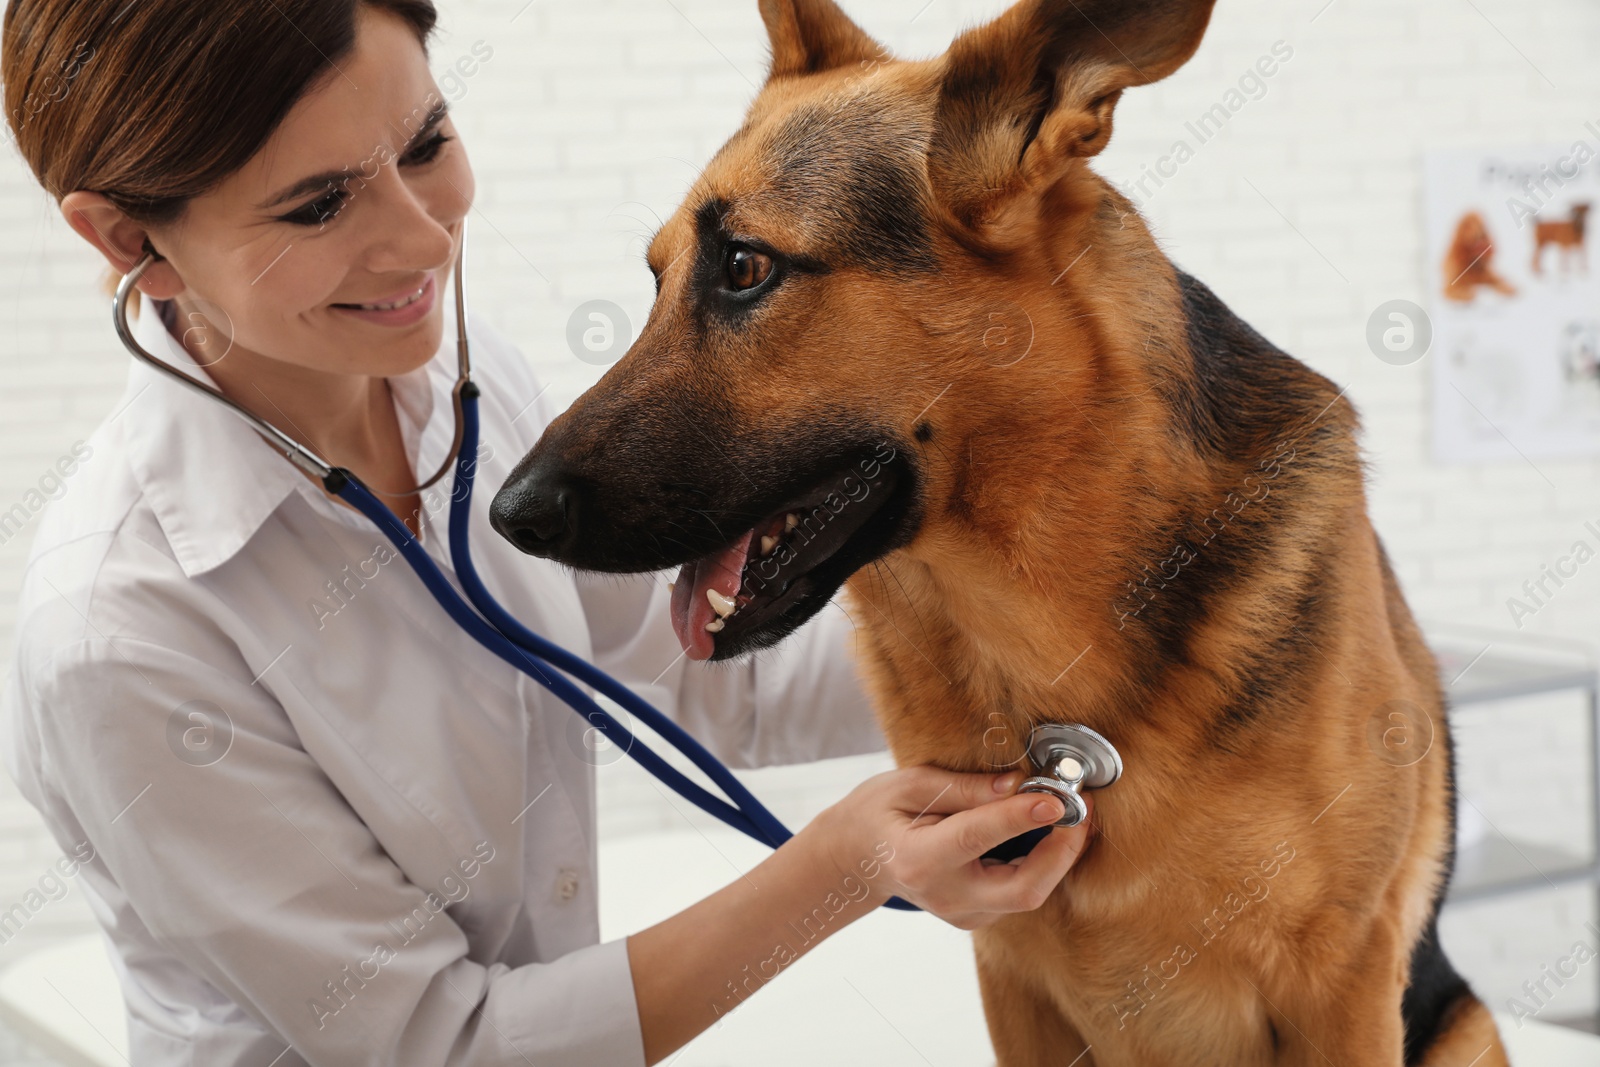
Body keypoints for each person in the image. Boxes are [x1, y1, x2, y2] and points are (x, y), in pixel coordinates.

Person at [0, 2, 1091, 1064]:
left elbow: (704, 675)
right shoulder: (120, 634)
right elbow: (449, 1042)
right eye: (320, 205)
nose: (422, 236)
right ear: (128, 235)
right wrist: (846, 867)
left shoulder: (463, 391)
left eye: (426, 143)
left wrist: (1067, 647)